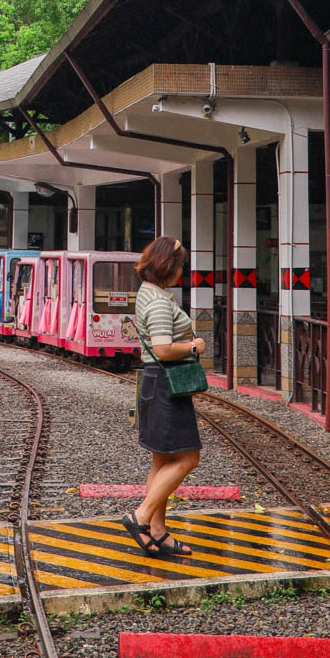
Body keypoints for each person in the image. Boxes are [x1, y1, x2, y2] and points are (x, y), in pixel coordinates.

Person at [121, 236, 205, 557]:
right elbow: (163, 349)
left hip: (154, 385)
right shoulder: (157, 302)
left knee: (162, 458)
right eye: (180, 264)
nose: (182, 271)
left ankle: (157, 532)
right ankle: (141, 517)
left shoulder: (149, 293)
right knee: (188, 457)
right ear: (167, 266)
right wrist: (194, 346)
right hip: (166, 386)